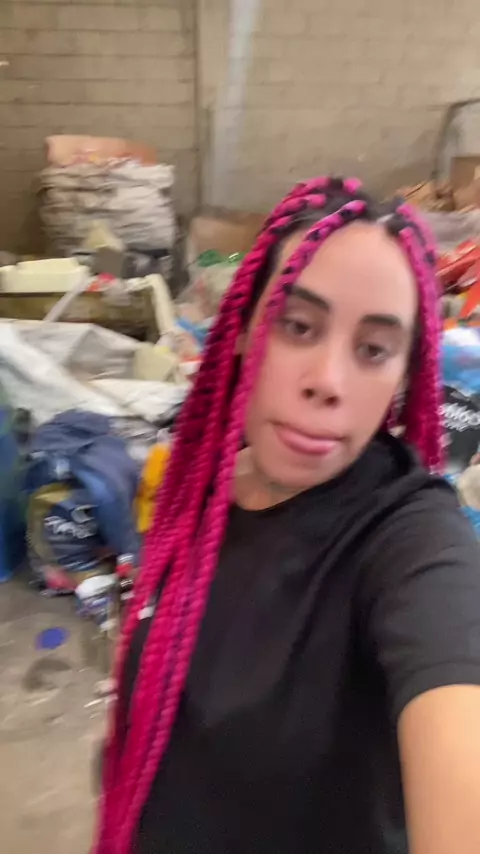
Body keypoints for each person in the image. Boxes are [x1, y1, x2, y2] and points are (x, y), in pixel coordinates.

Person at [94, 177, 480, 854]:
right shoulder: (194, 494)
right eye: (298, 326)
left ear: (403, 375)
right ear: (243, 330)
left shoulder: (412, 541)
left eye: (373, 350)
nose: (328, 381)